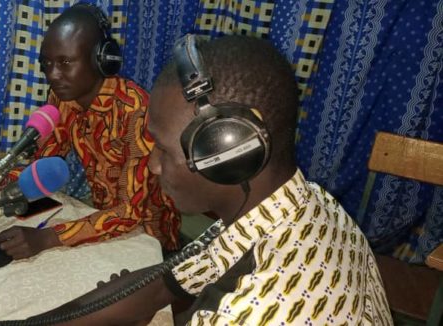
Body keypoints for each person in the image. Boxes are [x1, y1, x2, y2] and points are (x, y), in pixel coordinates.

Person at [25, 35, 393, 325]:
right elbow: (158, 288)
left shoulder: (245, 314)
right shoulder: (303, 204)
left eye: (164, 151)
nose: (152, 165)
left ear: (230, 152)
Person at [0, 3, 180, 259]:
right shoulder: (62, 99)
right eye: (46, 63)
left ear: (102, 59)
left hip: (149, 240)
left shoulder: (137, 112)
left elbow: (129, 212)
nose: (53, 75)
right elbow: (39, 172)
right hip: (97, 220)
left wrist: (47, 238)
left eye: (65, 62)